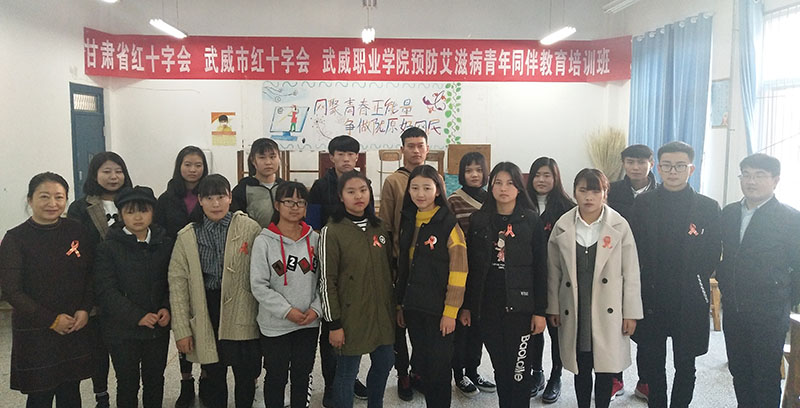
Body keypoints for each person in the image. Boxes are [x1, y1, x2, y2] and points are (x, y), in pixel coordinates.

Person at [629, 141, 721, 408]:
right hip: (652, 295)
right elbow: (634, 247)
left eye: (680, 166)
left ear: (691, 169)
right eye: (667, 166)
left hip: (688, 296)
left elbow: (712, 252)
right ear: (658, 168)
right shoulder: (643, 203)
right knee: (653, 363)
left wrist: (694, 277)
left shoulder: (707, 206)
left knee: (686, 364)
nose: (673, 171)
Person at [546, 168, 643, 408]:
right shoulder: (563, 225)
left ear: (605, 193)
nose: (589, 197)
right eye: (583, 190)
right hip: (575, 305)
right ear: (574, 192)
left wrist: (631, 313)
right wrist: (553, 307)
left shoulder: (619, 225)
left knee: (605, 367)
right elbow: (553, 271)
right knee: (581, 364)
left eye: (595, 191)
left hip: (609, 307)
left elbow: (631, 272)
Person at [0, 172, 95, 407]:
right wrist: (51, 320)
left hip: (73, 325)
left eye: (59, 197)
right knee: (40, 393)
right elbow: (12, 291)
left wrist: (85, 309)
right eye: (44, 196)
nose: (52, 203)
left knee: (70, 390)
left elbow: (90, 274)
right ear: (30, 199)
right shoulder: (15, 238)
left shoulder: (77, 231)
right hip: (36, 330)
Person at [168, 174, 263, 408]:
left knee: (246, 374)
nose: (216, 203)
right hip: (208, 309)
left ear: (230, 197)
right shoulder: (188, 235)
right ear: (200, 200)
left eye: (221, 196)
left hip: (243, 308)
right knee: (213, 374)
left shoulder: (249, 228)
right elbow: (178, 285)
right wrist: (181, 330)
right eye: (209, 198)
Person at [460, 162, 548, 408]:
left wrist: (540, 311)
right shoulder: (479, 220)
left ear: (519, 187)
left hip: (521, 308)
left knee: (519, 372)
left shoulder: (531, 221)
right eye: (498, 182)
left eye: (510, 183)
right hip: (488, 307)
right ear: (491, 187)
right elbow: (472, 268)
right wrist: (467, 306)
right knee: (500, 368)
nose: (503, 188)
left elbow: (541, 269)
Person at [717, 153, 800, 408]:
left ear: (775, 180)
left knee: (765, 373)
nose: (751, 181)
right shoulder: (729, 213)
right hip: (734, 306)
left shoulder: (790, 218)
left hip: (769, 310)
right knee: (739, 370)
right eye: (746, 175)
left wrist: (787, 300)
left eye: (760, 176)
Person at [320, 171, 396, 408]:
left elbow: (389, 271)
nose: (358, 196)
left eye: (363, 190)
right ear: (341, 196)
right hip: (349, 316)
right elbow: (326, 280)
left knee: (385, 362)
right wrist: (334, 324)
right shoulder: (332, 231)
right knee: (347, 373)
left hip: (381, 314)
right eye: (351, 192)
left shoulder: (379, 228)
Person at [94, 186, 173, 408]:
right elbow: (106, 291)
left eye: (144, 210)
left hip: (157, 327)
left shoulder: (165, 243)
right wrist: (137, 316)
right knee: (127, 382)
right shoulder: (108, 247)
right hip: (122, 330)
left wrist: (166, 307)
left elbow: (173, 282)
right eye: (130, 211)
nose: (138, 217)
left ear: (153, 212)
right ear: (120, 214)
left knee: (155, 379)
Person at [396, 165, 467, 407]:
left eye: (427, 188)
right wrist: (400, 305)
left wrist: (450, 312)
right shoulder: (409, 219)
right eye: (415, 188)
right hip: (414, 307)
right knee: (424, 366)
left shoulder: (448, 223)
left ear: (437, 190)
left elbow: (459, 271)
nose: (420, 193)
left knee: (439, 370)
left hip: (440, 311)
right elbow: (404, 267)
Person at [67, 151, 133, 408]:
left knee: (124, 348)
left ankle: (127, 392)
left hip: (128, 285)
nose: (113, 176)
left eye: (118, 171)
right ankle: (101, 395)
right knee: (97, 347)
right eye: (106, 171)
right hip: (94, 285)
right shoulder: (80, 207)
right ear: (95, 174)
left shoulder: (134, 201)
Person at [308, 135, 370, 404]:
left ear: (357, 157)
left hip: (357, 263)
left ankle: (350, 377)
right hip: (329, 261)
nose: (346, 159)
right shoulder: (320, 187)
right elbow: (311, 224)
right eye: (340, 154)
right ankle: (332, 384)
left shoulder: (363, 184)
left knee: (354, 324)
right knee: (331, 327)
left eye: (350, 154)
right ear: (331, 157)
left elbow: (369, 220)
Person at [250, 182, 322, 408]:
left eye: (300, 202)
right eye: (289, 201)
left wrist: (316, 309)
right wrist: (286, 311)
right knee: (276, 376)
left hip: (308, 323)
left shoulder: (315, 239)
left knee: (302, 374)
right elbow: (259, 285)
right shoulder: (263, 241)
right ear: (277, 205)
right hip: (275, 325)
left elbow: (324, 281)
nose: (295, 207)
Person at [154, 145, 209, 407]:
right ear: (179, 166)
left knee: (207, 322)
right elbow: (159, 231)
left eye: (198, 165)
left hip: (207, 266)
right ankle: (186, 381)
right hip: (176, 266)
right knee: (183, 323)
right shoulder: (166, 198)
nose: (193, 169)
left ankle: (207, 377)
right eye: (188, 164)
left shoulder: (210, 193)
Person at [379, 126, 430, 401]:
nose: (416, 150)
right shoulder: (393, 182)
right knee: (400, 323)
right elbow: (385, 224)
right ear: (402, 150)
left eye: (420, 145)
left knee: (423, 321)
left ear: (427, 148)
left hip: (428, 263)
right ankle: (403, 374)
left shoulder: (434, 178)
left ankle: (419, 370)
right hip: (401, 262)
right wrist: (389, 265)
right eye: (411, 145)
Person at [606, 144, 656, 400]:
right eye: (630, 162)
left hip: (650, 269)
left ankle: (645, 380)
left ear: (651, 164)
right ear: (623, 164)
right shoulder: (611, 191)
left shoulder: (661, 193)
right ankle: (615, 378)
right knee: (614, 324)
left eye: (641, 162)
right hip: (615, 265)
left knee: (647, 328)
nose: (635, 167)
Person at [525, 157, 576, 403]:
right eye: (537, 175)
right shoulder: (521, 203)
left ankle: (556, 374)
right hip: (529, 278)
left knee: (556, 330)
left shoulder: (568, 208)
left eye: (547, 175)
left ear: (556, 178)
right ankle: (537, 372)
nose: (541, 180)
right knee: (534, 329)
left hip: (558, 279)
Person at [447, 152, 497, 397]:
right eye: (469, 170)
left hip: (484, 275)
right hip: (461, 273)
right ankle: (459, 374)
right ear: (462, 174)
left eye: (478, 169)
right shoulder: (454, 201)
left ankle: (473, 370)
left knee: (478, 326)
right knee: (461, 329)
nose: (474, 174)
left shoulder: (491, 200)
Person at [232, 137, 284, 228]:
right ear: (253, 160)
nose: (268, 162)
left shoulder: (284, 187)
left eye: (272, 157)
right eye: (262, 157)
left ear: (279, 158)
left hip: (283, 236)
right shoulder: (243, 189)